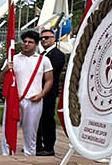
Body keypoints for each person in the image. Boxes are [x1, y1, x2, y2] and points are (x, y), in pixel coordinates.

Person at [5, 30, 53, 157]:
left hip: (33, 100)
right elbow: (2, 79)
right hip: (14, 100)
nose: (26, 44)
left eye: (30, 42)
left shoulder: (43, 60)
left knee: (31, 132)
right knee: (9, 130)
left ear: (36, 44)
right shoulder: (13, 59)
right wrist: (5, 70)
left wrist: (41, 95)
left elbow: (49, 80)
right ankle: (7, 155)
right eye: (25, 41)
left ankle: (29, 155)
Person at [35, 28, 67, 156]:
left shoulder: (57, 55)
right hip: (37, 90)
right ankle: (36, 144)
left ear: (54, 39)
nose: (43, 40)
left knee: (47, 118)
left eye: (47, 37)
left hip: (48, 92)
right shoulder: (40, 55)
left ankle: (49, 146)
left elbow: (48, 72)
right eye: (41, 38)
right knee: (36, 118)